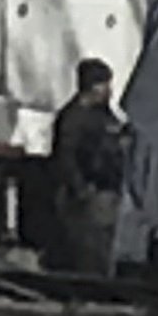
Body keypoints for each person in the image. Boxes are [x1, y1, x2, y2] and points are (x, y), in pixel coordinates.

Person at [44, 57, 128, 274]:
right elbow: (66, 156)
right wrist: (80, 188)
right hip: (87, 192)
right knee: (90, 249)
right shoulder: (73, 118)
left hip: (109, 190)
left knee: (106, 246)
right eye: (104, 84)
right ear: (92, 86)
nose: (109, 90)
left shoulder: (105, 116)